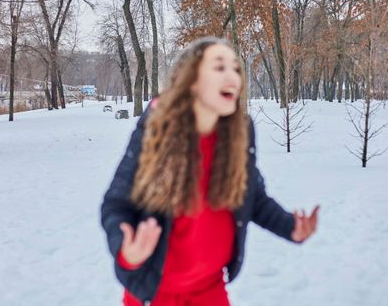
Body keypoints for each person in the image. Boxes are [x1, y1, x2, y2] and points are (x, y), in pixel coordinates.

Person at [101, 37, 319, 306]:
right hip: (156, 291)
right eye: (219, 67)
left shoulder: (240, 132)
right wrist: (127, 249)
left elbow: (252, 196)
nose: (232, 76)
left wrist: (290, 227)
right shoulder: (156, 129)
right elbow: (115, 204)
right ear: (191, 80)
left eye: (236, 69)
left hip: (210, 289)